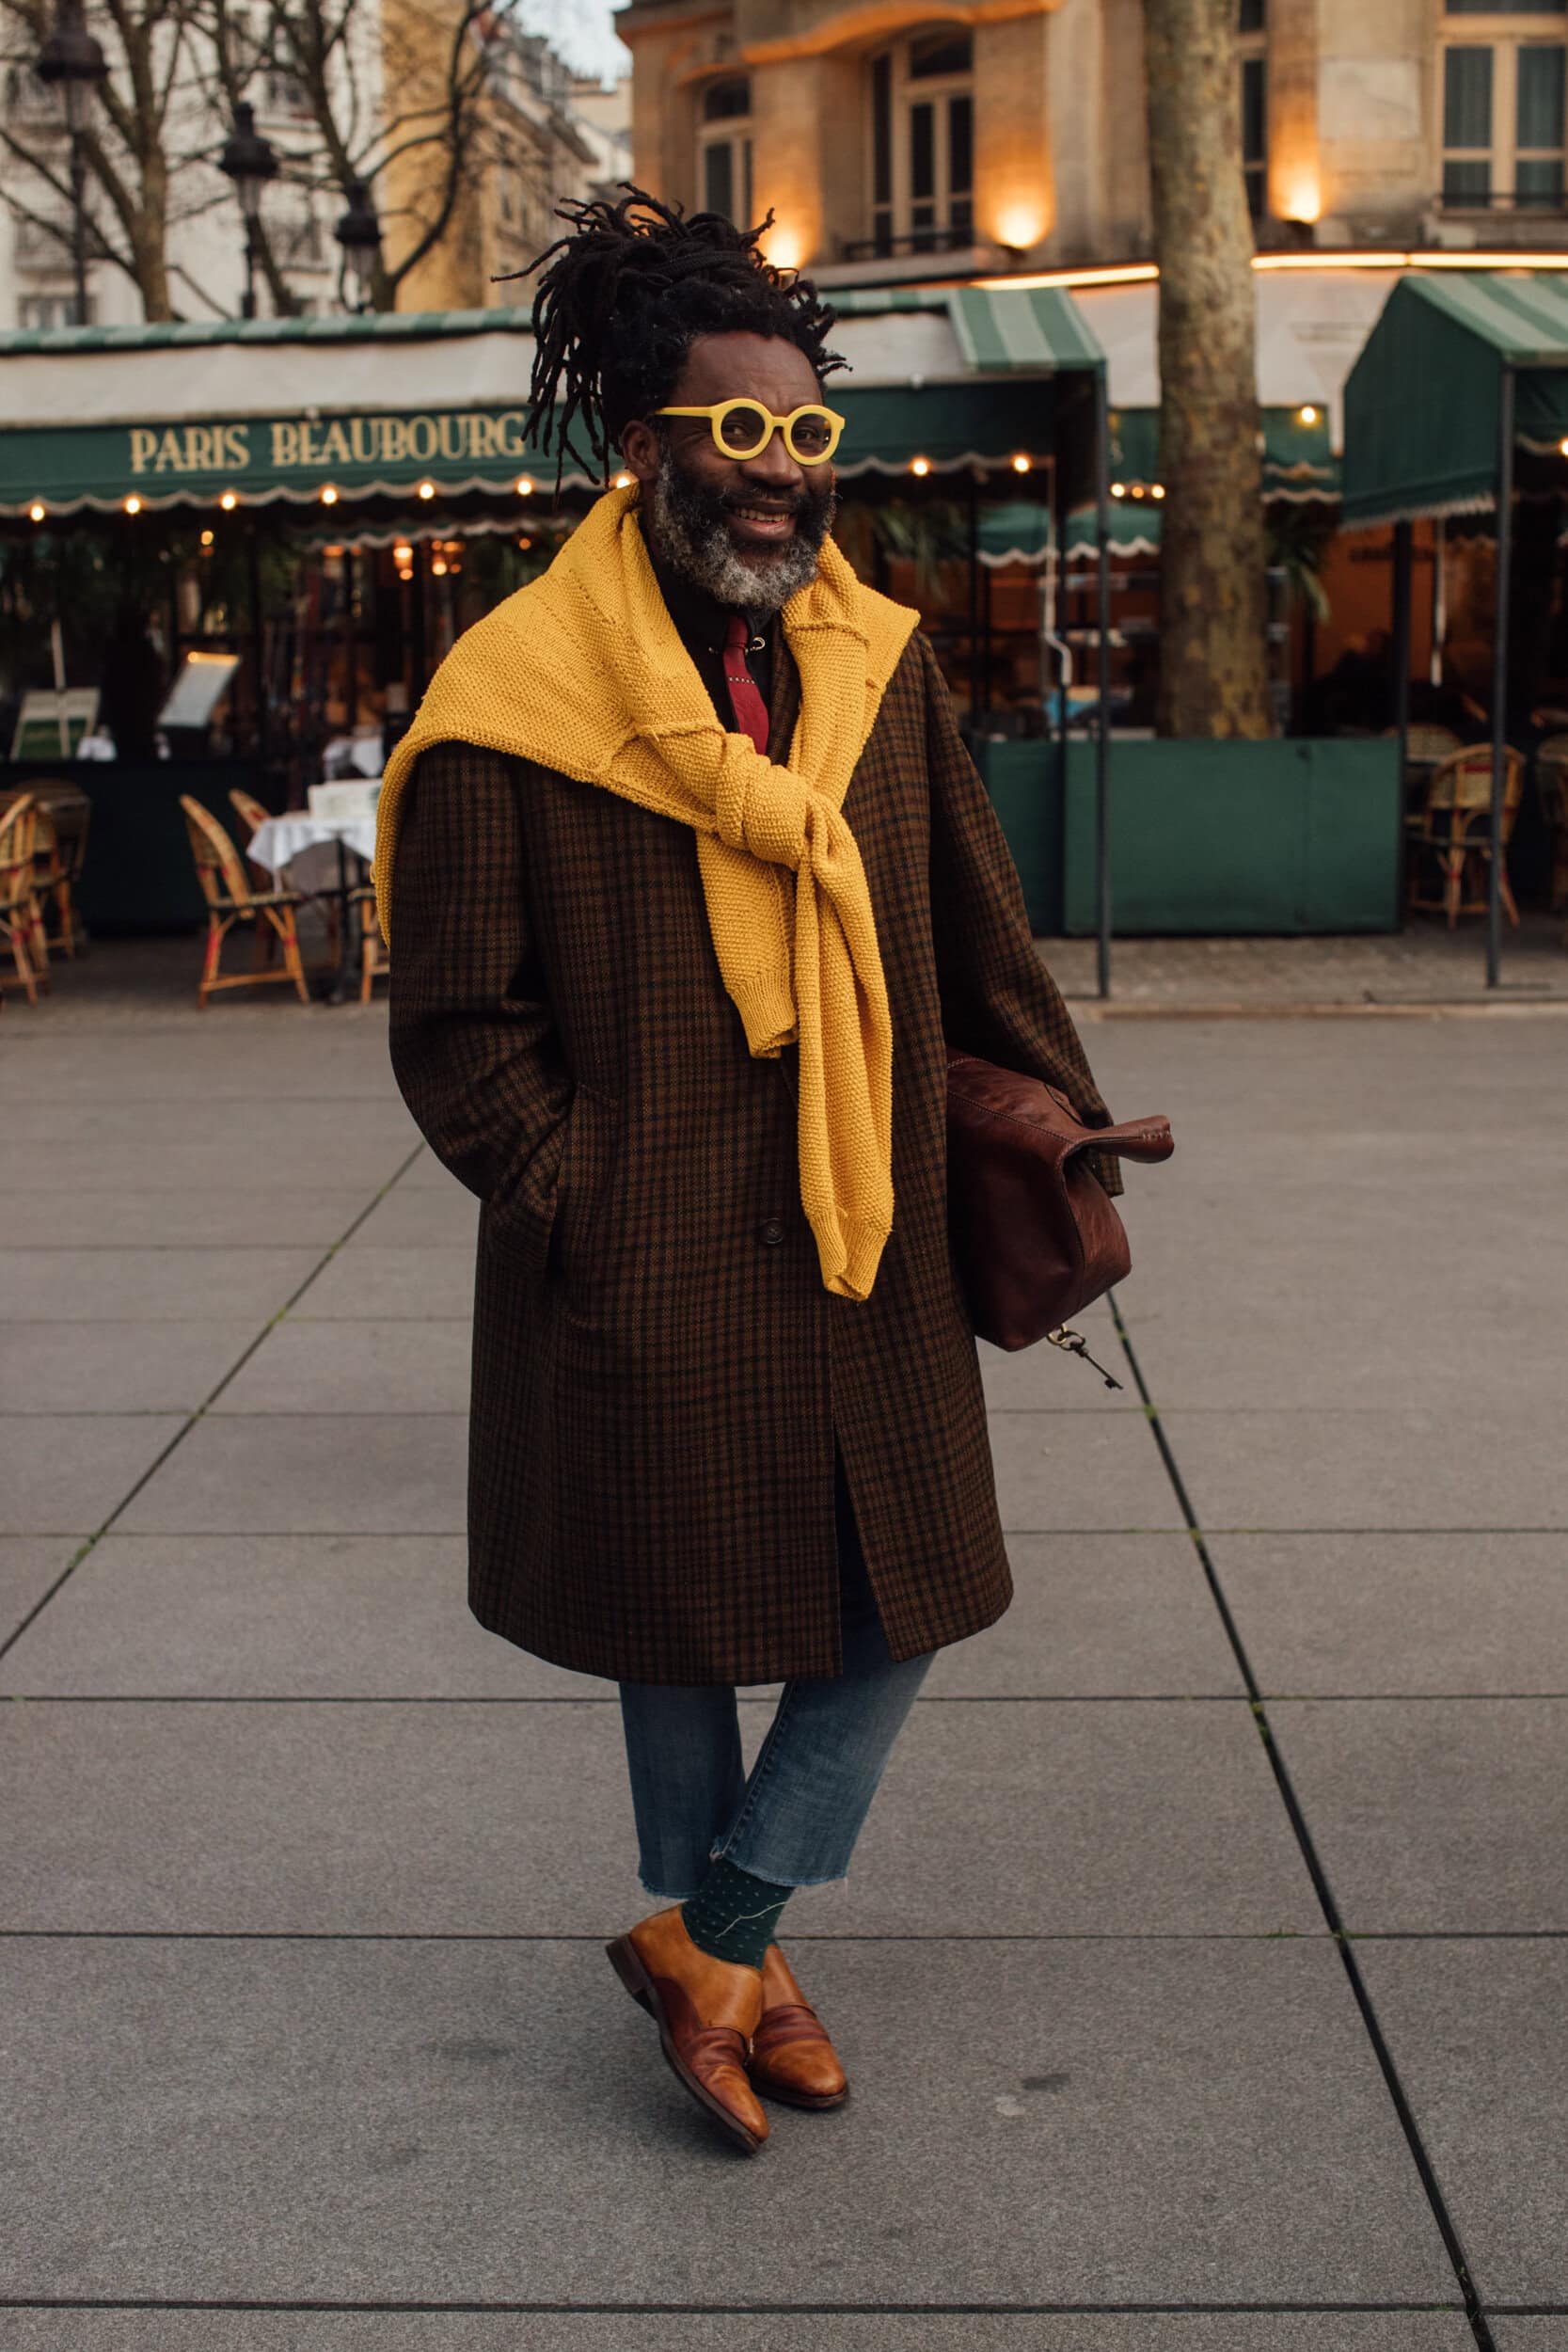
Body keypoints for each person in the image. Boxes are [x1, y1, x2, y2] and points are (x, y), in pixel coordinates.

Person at [373, 192, 1121, 2156]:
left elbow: (976, 925)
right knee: (676, 1616)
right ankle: (749, 1970)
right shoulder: (513, 698)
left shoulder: (876, 657)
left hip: (863, 1226)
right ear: (647, 446)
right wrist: (583, 1192)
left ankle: (714, 1930)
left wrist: (1059, 1127)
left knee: (913, 1599)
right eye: (741, 434)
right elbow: (455, 1026)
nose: (782, 479)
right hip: (646, 1240)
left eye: (807, 437)